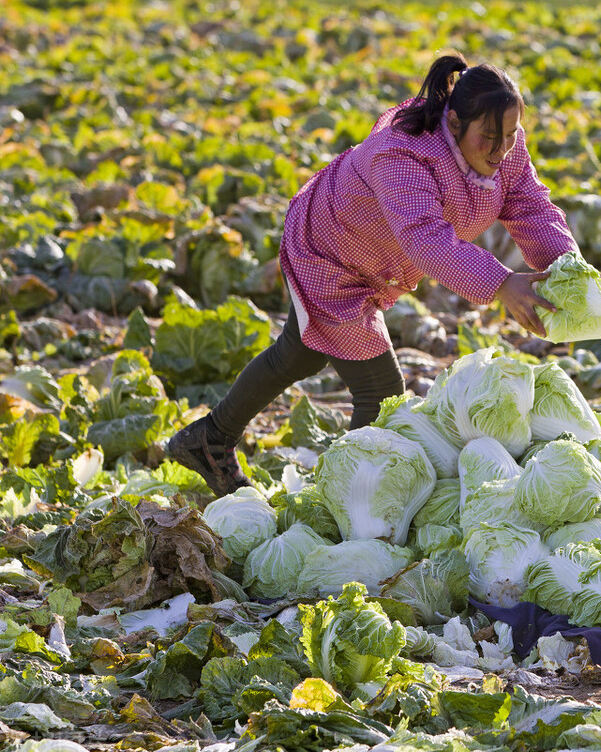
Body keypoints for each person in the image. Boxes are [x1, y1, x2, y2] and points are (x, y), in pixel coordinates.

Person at [168, 52, 578, 495]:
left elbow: (531, 206)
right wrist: (501, 283)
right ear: (455, 124)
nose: (501, 150)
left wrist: (569, 270)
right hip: (329, 251)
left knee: (300, 352)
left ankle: (208, 439)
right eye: (490, 137)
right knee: (381, 392)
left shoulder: (505, 150)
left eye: (512, 136)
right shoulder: (403, 154)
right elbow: (428, 242)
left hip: (373, 263)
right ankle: (343, 499)